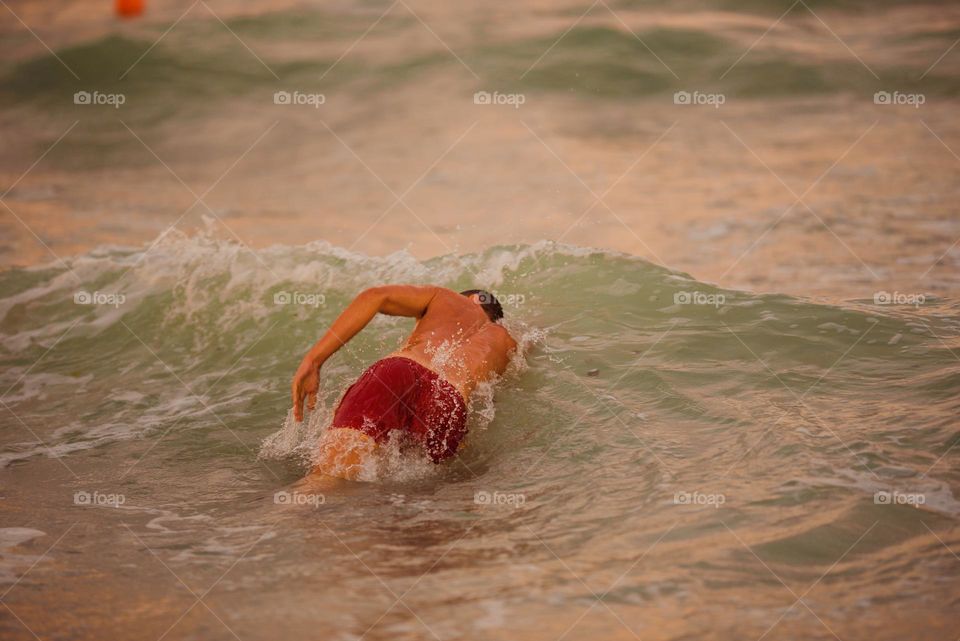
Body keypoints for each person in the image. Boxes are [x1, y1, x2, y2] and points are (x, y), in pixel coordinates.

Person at [291, 285, 517, 479]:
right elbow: (487, 402)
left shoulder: (446, 297)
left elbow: (375, 296)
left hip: (400, 372)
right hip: (449, 401)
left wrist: (314, 361)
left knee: (326, 480)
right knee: (412, 501)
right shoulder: (507, 341)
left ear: (470, 299)